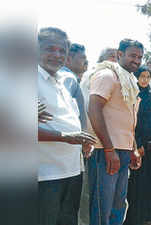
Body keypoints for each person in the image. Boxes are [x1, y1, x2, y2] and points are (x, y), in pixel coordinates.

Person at [38, 27, 96, 225]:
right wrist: (65, 137)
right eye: (50, 49)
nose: (57, 55)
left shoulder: (63, 82)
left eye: (62, 51)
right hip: (44, 176)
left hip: (71, 171)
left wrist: (82, 140)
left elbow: (70, 119)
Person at [87, 38, 143, 225]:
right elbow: (94, 110)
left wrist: (133, 148)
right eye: (132, 55)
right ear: (120, 54)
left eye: (140, 57)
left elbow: (127, 120)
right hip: (105, 151)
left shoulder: (129, 80)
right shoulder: (107, 75)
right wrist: (110, 150)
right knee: (102, 207)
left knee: (118, 205)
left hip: (123, 150)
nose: (137, 60)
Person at [124, 66, 151, 225]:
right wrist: (137, 144)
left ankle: (148, 215)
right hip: (137, 146)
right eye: (142, 76)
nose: (145, 80)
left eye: (148, 76)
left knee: (148, 181)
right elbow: (131, 123)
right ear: (136, 77)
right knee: (136, 183)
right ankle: (135, 218)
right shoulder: (133, 94)